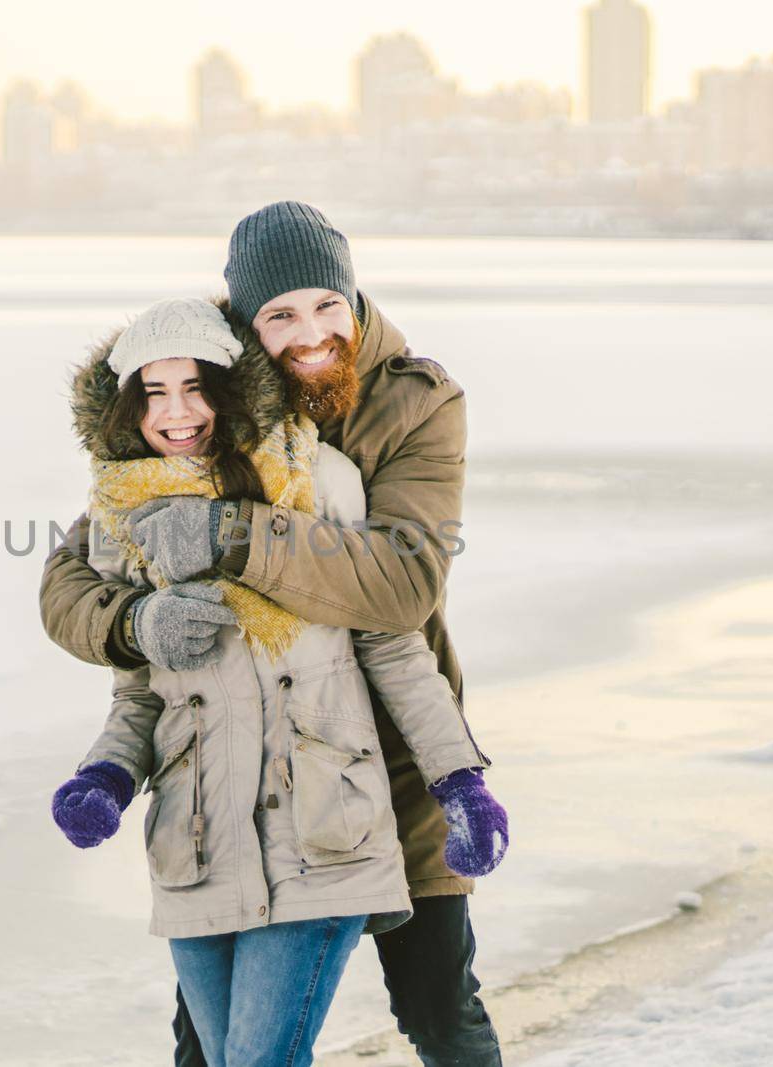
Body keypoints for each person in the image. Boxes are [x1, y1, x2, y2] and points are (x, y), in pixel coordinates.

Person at [41, 202, 506, 1066]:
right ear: (245, 329)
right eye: (280, 314)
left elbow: (401, 586)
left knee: (440, 1011)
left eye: (327, 304)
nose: (311, 332)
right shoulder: (202, 399)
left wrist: (230, 532)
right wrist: (139, 621)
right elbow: (78, 572)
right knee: (205, 1044)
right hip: (238, 763)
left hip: (395, 757)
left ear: (354, 295)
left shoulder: (414, 403)